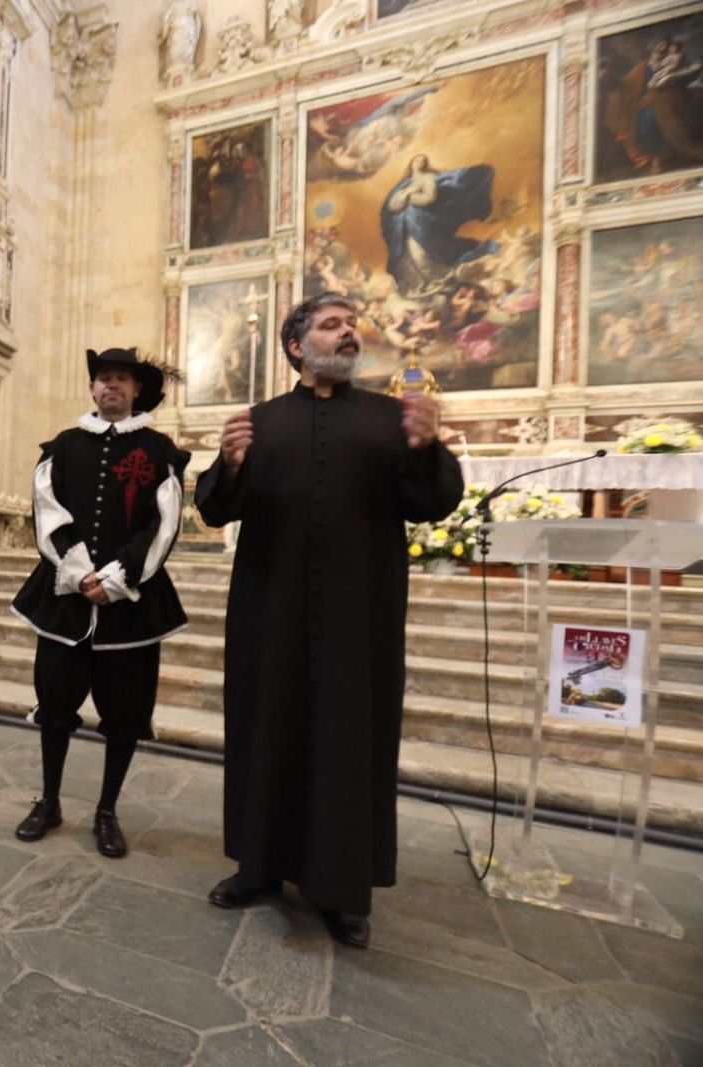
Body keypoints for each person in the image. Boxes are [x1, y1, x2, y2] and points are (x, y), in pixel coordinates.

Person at [194, 293, 462, 948]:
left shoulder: (389, 417)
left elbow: (432, 503)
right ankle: (257, 868)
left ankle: (343, 891)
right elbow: (214, 509)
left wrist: (427, 451)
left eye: (352, 325)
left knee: (349, 742)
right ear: (296, 345)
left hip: (357, 618)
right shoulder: (258, 421)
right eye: (331, 325)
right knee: (267, 729)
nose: (349, 334)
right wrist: (228, 465)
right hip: (269, 612)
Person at [11, 347, 190, 858]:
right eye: (103, 379)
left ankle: (107, 810)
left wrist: (117, 578)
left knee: (125, 715)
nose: (111, 386)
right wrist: (77, 571)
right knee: (54, 708)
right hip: (65, 601)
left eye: (121, 380)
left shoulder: (159, 450)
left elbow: (165, 521)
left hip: (131, 607)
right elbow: (46, 510)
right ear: (92, 388)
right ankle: (48, 801)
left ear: (136, 391)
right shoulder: (63, 446)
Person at [380, 154, 500, 294]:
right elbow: (392, 206)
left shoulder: (428, 178)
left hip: (421, 221)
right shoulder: (403, 184)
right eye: (417, 160)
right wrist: (406, 194)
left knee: (421, 251)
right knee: (408, 255)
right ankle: (419, 283)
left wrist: (409, 196)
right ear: (411, 163)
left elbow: (429, 197)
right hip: (404, 225)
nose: (419, 163)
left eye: (422, 161)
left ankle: (437, 278)